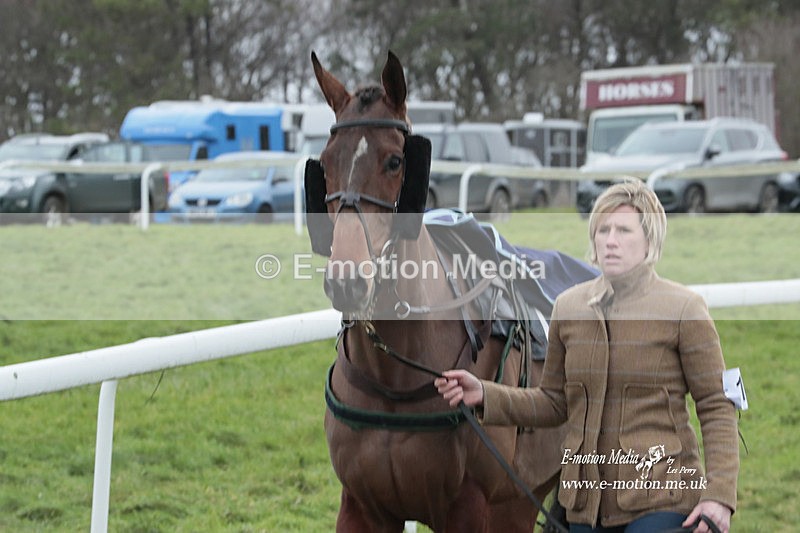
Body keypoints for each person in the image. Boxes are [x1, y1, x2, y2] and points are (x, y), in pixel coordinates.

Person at [435, 179, 738, 533]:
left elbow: (717, 404)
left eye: (623, 230)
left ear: (649, 240)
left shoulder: (684, 309)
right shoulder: (568, 307)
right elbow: (554, 402)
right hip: (585, 507)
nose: (610, 240)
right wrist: (485, 394)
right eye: (603, 230)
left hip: (663, 498)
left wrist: (720, 496)